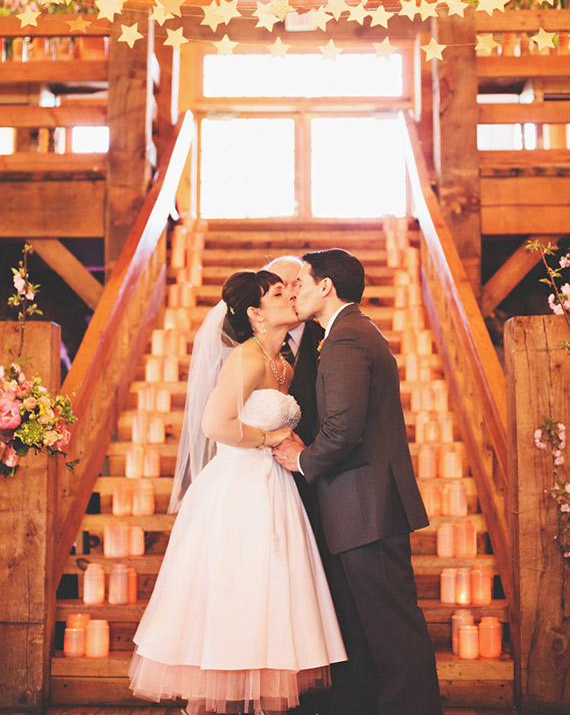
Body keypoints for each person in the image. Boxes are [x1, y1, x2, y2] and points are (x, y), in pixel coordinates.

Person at [129, 269, 347, 715]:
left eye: (291, 291)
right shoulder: (246, 359)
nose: (291, 298)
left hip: (273, 488)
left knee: (269, 596)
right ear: (255, 312)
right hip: (238, 490)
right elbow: (215, 425)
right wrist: (274, 440)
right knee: (237, 589)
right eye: (279, 294)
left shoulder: (281, 364)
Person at [273, 249, 443, 715]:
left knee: (392, 628)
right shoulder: (349, 332)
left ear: (326, 286)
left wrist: (303, 459)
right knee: (378, 626)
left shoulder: (347, 339)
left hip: (367, 506)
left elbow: (343, 429)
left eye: (301, 283)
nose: (294, 291)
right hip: (362, 506)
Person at [265, 256, 323, 529]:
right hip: (263, 471)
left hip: (316, 472)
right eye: (280, 286)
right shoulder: (243, 346)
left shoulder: (327, 333)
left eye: (295, 284)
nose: (290, 293)